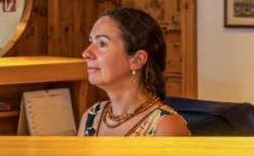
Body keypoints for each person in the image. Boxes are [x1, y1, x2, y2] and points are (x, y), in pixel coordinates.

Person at [79, 7, 190, 137]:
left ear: (137, 60)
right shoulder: (91, 117)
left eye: (102, 43)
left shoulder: (166, 127)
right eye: (91, 41)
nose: (86, 53)